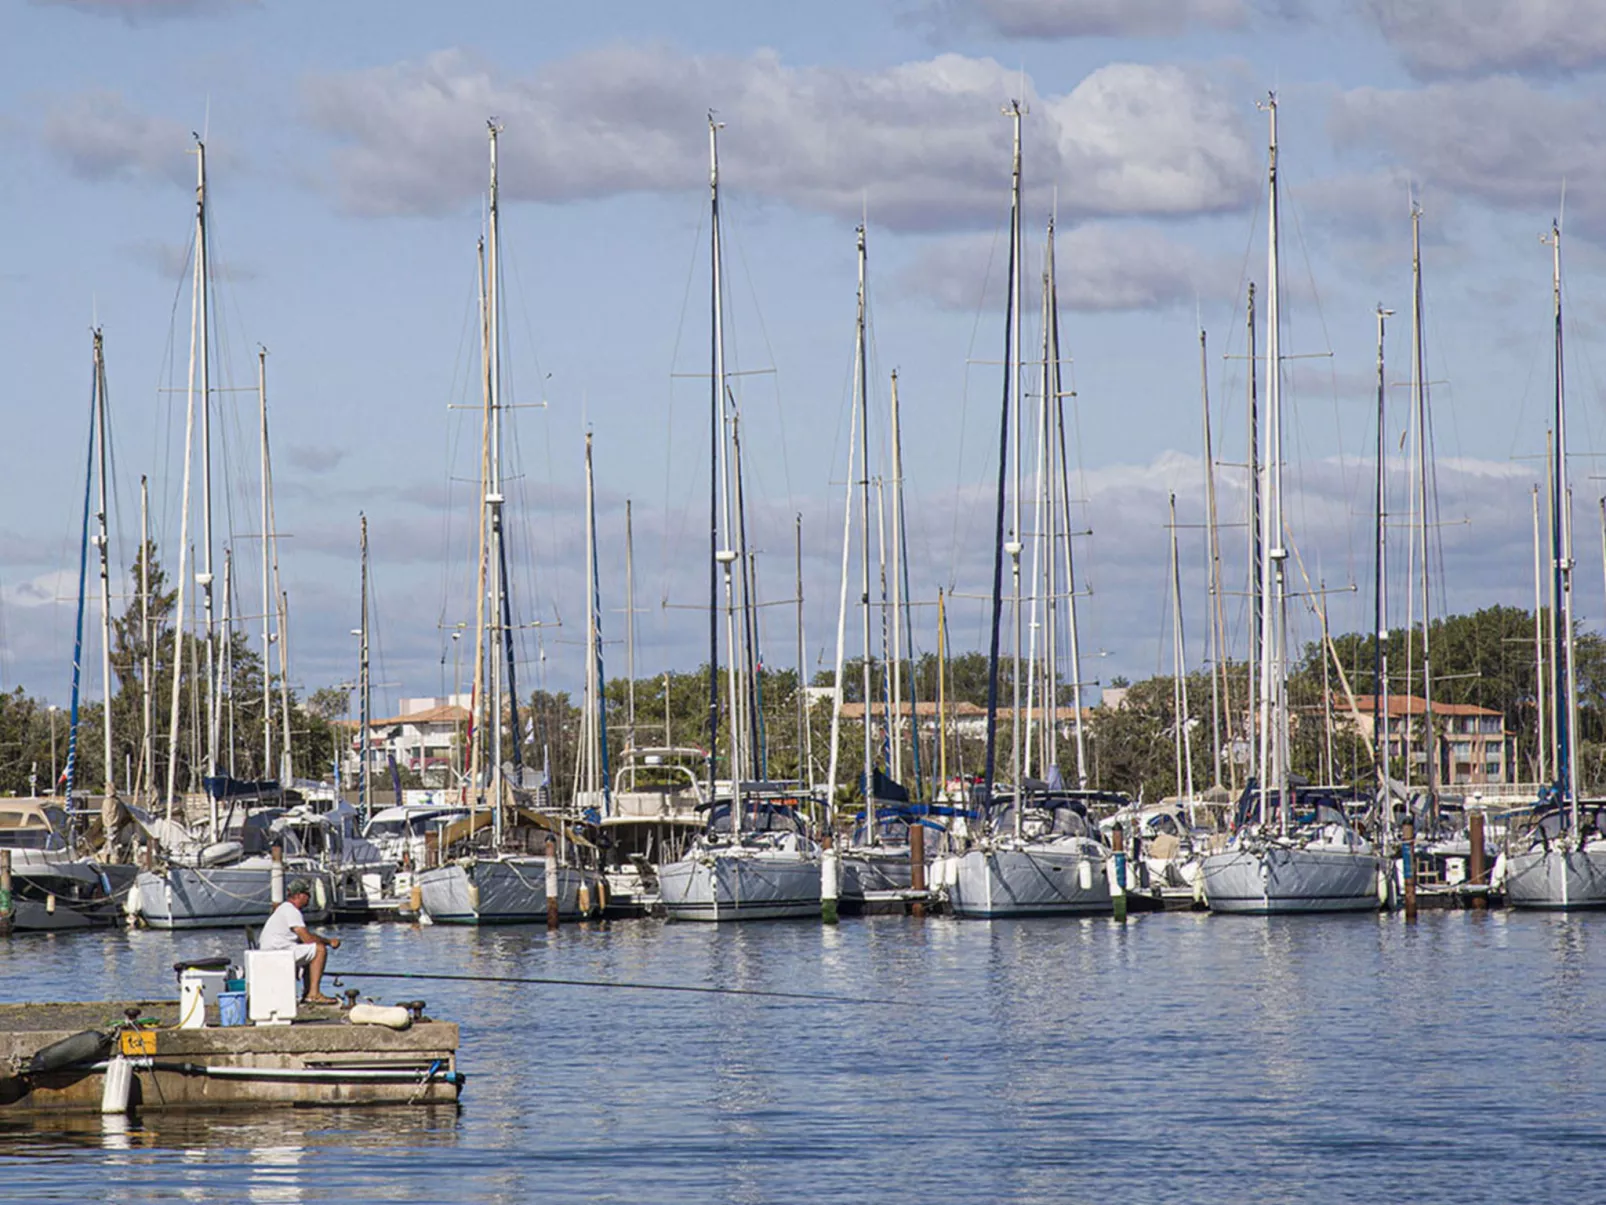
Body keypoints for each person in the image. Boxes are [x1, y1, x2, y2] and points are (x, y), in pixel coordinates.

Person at [259, 879, 341, 1005]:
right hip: (277, 952)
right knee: (319, 949)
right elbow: (307, 939)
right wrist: (329, 942)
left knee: (310, 950)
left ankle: (308, 992)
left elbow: (304, 940)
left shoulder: (283, 909)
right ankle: (314, 994)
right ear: (298, 895)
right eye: (307, 895)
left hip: (271, 950)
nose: (309, 898)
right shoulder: (291, 910)